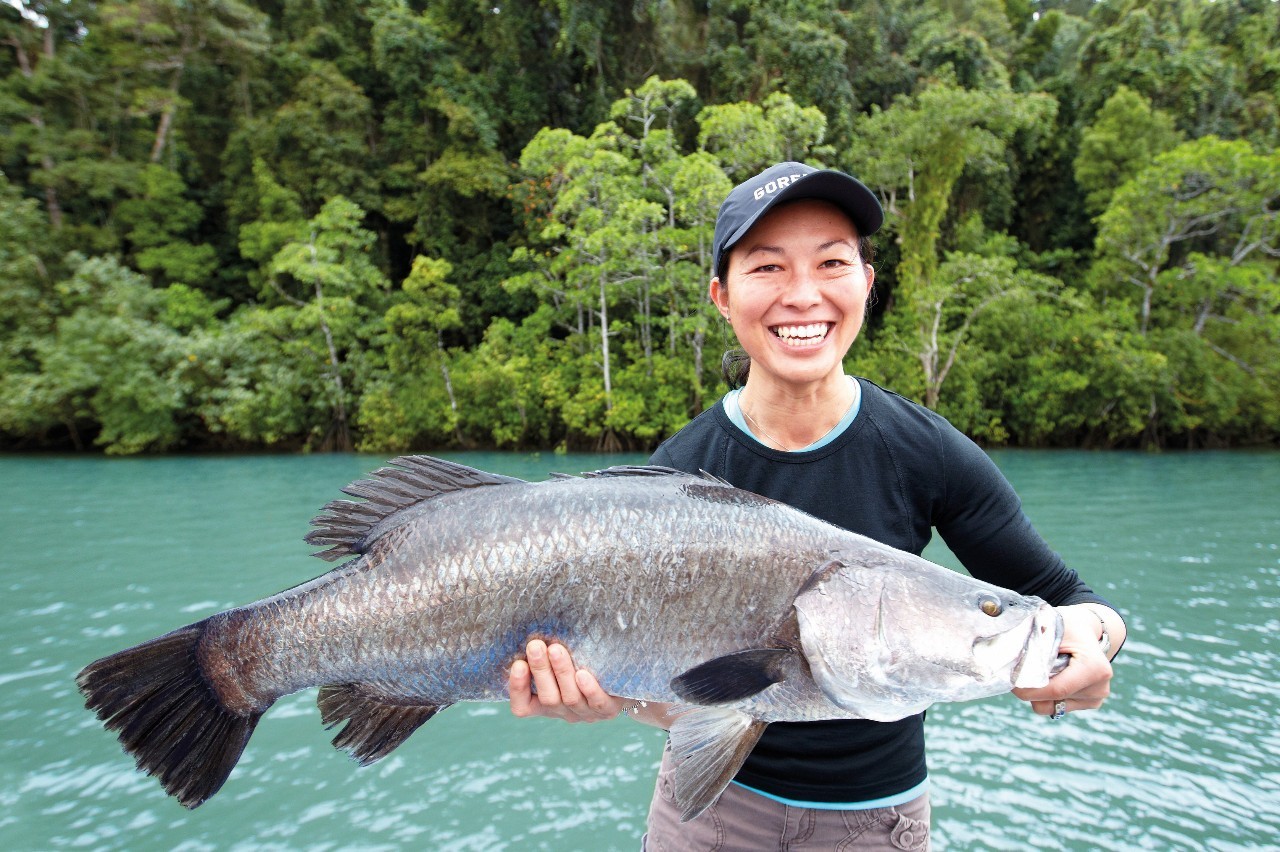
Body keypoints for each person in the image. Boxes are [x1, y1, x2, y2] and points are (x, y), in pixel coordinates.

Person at [507, 161, 1127, 850]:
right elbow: (670, 701)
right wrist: (606, 698)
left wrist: (1093, 643)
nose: (803, 296)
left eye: (831, 262)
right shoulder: (673, 478)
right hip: (705, 817)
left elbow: (1071, 600)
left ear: (866, 282)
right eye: (767, 267)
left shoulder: (925, 451)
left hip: (876, 823)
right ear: (721, 296)